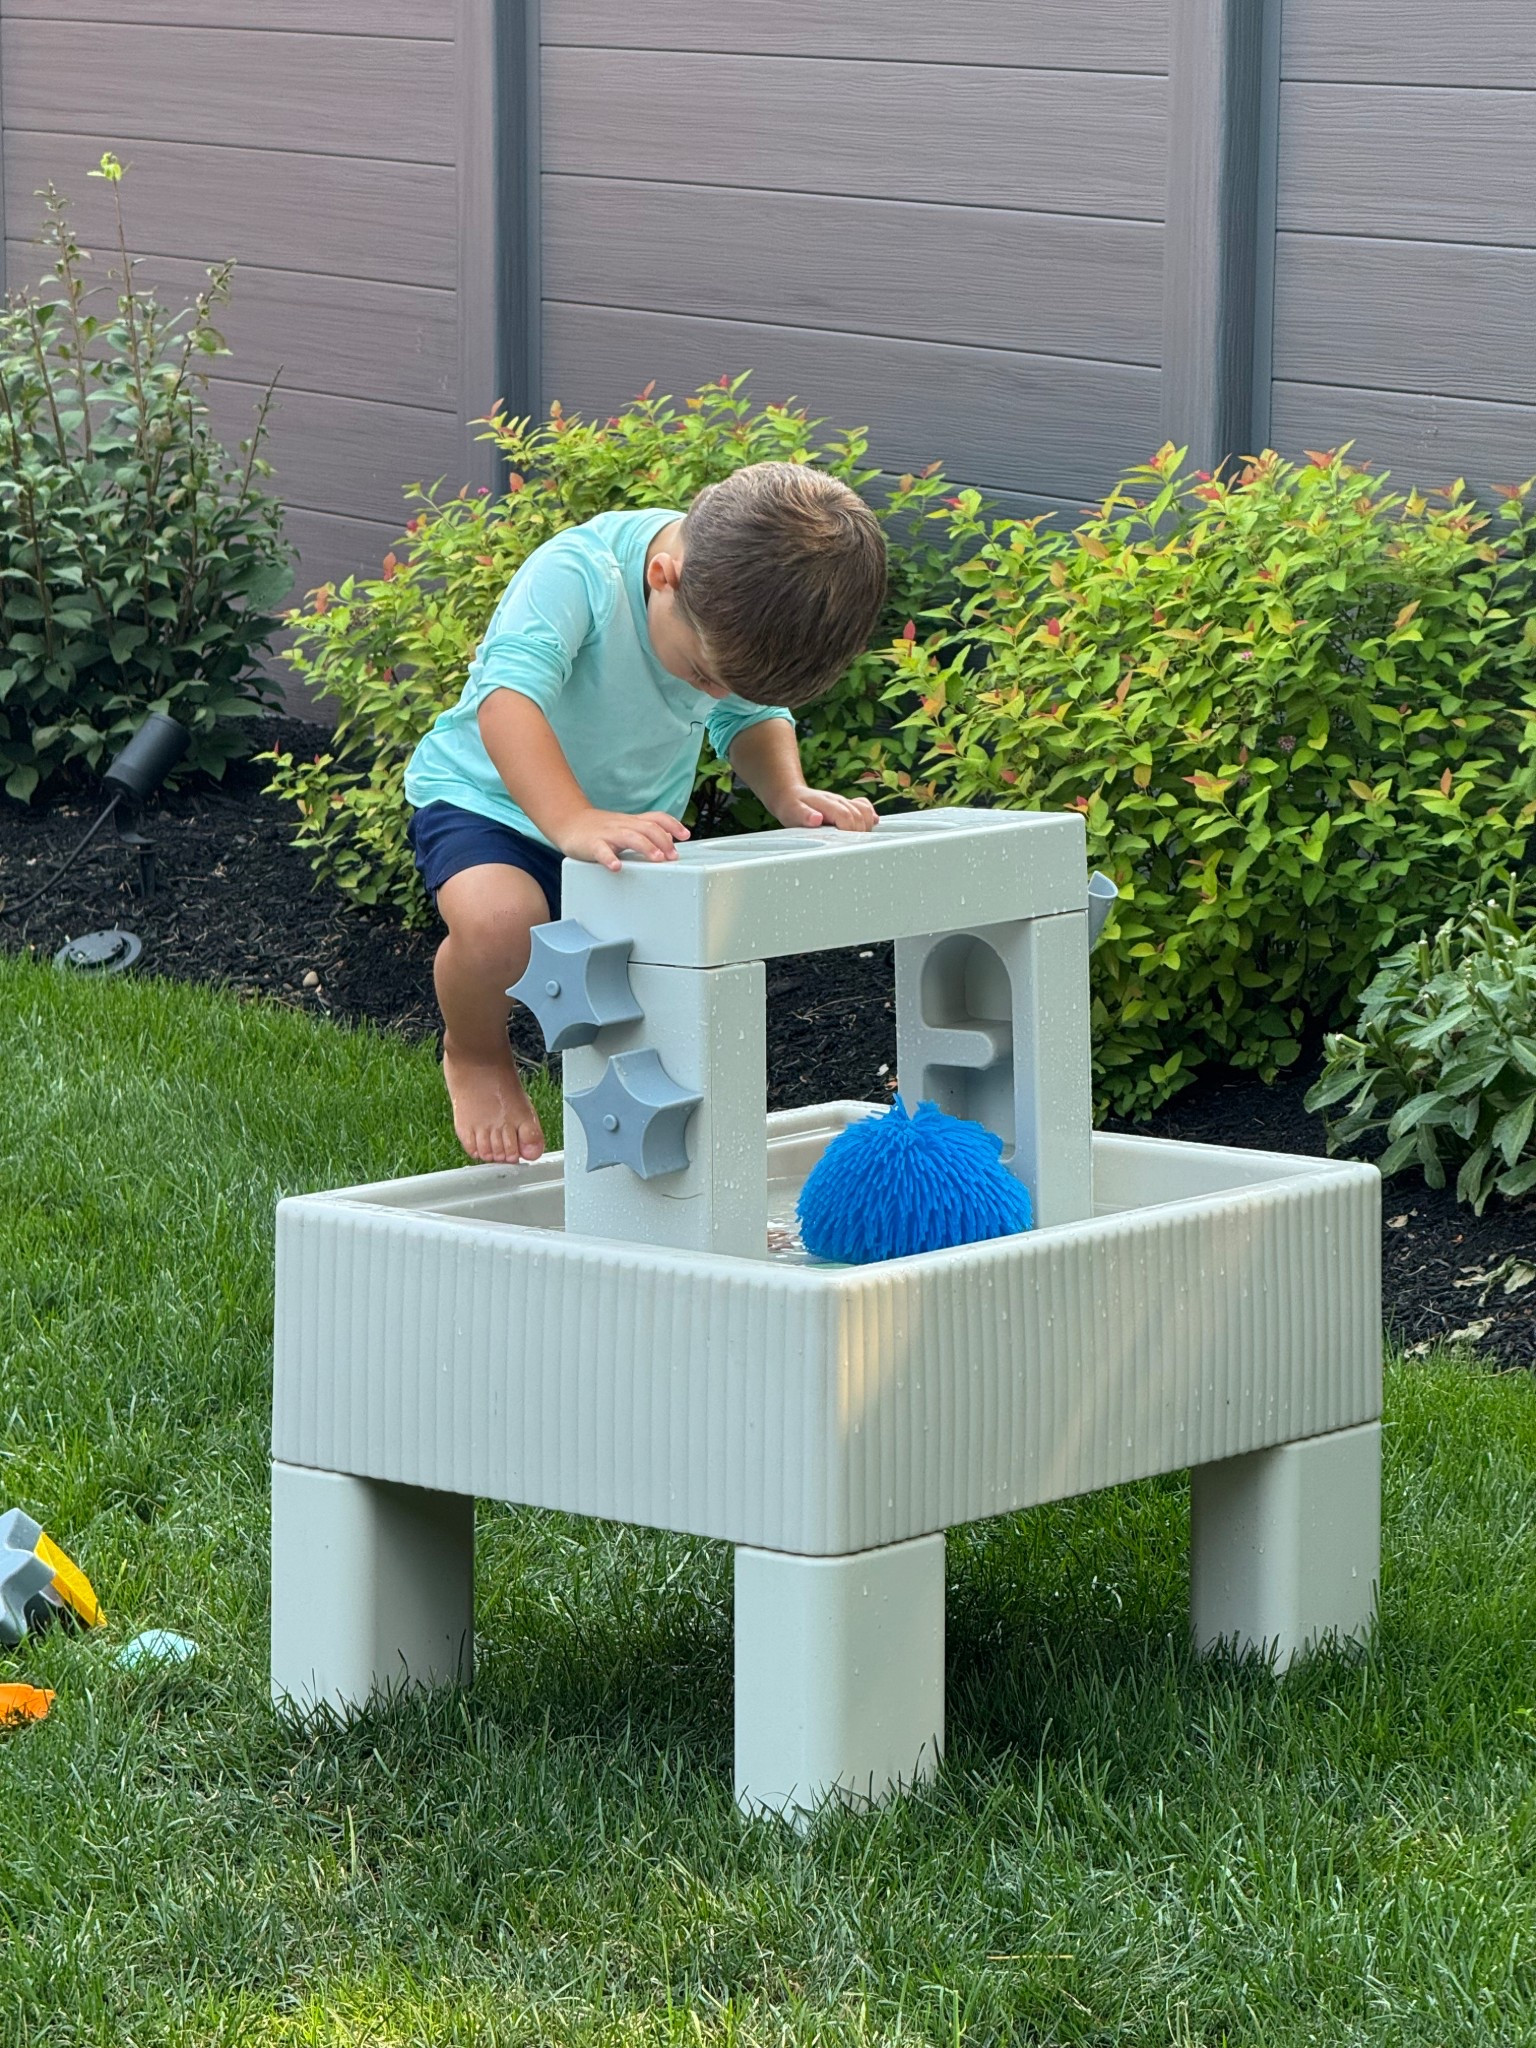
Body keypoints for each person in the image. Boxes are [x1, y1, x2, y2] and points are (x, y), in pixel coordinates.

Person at [403, 459, 888, 1165]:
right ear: (664, 576)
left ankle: (637, 1137)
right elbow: (507, 701)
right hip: (490, 800)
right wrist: (570, 818)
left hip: (624, 828)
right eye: (702, 677)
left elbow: (748, 718)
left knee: (651, 982)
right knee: (503, 927)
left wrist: (786, 791)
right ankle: (475, 1054)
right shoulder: (579, 574)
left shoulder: (722, 603)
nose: (712, 694)